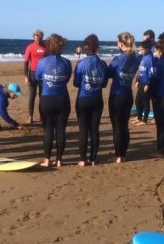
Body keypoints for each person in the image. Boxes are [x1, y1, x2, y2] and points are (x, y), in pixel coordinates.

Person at [35, 33, 72, 168]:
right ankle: (59, 160)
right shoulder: (66, 62)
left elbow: (38, 76)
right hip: (62, 98)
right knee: (61, 130)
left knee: (48, 130)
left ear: (48, 46)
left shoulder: (43, 61)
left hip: (47, 98)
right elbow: (67, 78)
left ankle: (47, 160)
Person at [73, 34, 108, 166]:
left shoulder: (81, 64)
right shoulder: (103, 64)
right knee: (94, 129)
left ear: (86, 48)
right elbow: (104, 84)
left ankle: (82, 159)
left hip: (83, 98)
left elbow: (76, 83)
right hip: (97, 99)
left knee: (83, 129)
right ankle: (93, 159)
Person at [107, 32, 140, 163]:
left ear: (121, 43)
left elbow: (109, 73)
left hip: (117, 95)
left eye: (117, 42)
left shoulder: (119, 59)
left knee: (117, 126)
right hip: (127, 94)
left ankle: (119, 155)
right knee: (124, 125)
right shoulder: (136, 57)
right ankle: (123, 153)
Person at [23, 30, 47, 123]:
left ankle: (42, 116)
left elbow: (49, 60)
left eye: (39, 38)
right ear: (34, 37)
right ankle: (30, 116)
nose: (37, 40)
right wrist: (26, 76)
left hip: (43, 74)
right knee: (32, 95)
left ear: (42, 38)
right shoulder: (30, 47)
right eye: (36, 38)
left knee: (42, 96)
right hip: (32, 74)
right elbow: (25, 63)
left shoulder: (46, 47)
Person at [132, 40, 154, 126]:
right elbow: (140, 70)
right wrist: (137, 80)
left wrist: (148, 84)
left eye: (142, 49)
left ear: (147, 49)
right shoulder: (143, 57)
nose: (140, 51)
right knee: (137, 101)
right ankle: (139, 117)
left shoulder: (150, 58)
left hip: (146, 83)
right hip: (141, 82)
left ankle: (144, 121)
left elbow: (152, 72)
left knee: (145, 102)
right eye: (140, 49)